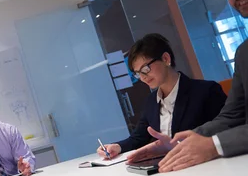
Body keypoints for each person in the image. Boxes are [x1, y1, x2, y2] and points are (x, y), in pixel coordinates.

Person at [128, 0, 248, 171]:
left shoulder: (204, 90)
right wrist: (180, 143)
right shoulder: (243, 53)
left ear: (165, 59)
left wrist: (214, 145)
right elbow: (233, 115)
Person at [97, 33, 227, 159]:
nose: (143, 77)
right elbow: (138, 137)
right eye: (137, 73)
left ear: (166, 59)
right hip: (168, 166)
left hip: (202, 162)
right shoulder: (151, 101)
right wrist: (117, 147)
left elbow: (224, 129)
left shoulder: (206, 91)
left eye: (145, 69)